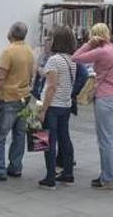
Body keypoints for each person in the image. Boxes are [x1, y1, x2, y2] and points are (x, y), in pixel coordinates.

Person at [74, 22, 113, 189]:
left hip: (104, 97)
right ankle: (108, 173)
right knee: (112, 138)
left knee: (104, 139)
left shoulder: (101, 51)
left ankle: (107, 177)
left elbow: (75, 58)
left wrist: (89, 44)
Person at [0, 22, 35, 181]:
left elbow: (0, 77)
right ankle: (15, 167)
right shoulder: (29, 51)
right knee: (19, 134)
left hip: (8, 97)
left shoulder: (8, 51)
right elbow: (31, 74)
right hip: (25, 96)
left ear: (11, 33)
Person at [34, 26, 78, 189]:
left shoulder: (54, 60)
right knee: (64, 138)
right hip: (65, 104)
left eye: (51, 38)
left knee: (48, 141)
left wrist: (43, 109)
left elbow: (51, 86)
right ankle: (68, 173)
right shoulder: (71, 60)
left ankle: (50, 177)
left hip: (52, 105)